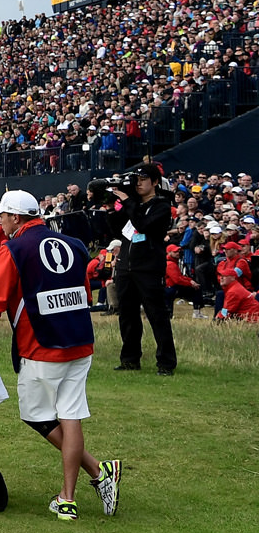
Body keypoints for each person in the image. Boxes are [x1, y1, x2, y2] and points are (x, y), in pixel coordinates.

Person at [0, 189, 120, 522]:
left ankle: (97, 472)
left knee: (37, 416)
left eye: (2, 216)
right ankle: (72, 496)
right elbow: (85, 292)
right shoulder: (74, 244)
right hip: (79, 339)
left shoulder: (12, 250)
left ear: (15, 217)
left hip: (41, 346)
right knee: (70, 415)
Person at [105, 159, 177, 374]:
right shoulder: (133, 205)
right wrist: (111, 205)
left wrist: (129, 202)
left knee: (157, 315)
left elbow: (143, 225)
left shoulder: (162, 206)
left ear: (155, 182)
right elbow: (116, 228)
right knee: (127, 315)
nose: (138, 184)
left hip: (148, 267)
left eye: (143, 179)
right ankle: (129, 359)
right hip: (127, 266)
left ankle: (166, 362)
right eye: (136, 179)